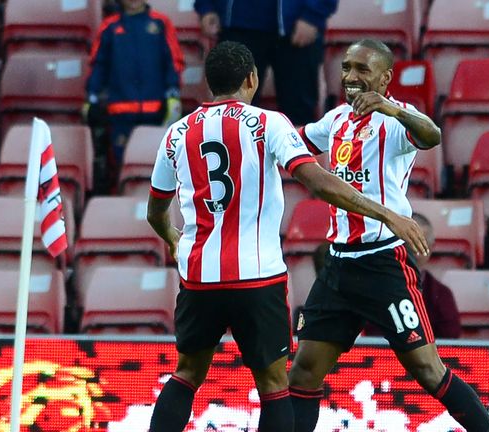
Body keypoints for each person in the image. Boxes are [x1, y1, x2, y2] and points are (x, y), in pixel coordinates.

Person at [146, 40, 428, 432]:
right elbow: (316, 180)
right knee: (275, 385)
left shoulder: (176, 134)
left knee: (186, 374)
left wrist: (174, 239)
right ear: (252, 78)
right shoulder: (268, 122)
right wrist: (386, 214)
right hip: (257, 276)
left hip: (199, 276)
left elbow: (155, 211)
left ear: (209, 83)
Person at [289, 39, 489, 432]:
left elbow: (432, 135)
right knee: (303, 373)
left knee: (427, 370)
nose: (351, 76)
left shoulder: (397, 120)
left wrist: (390, 107)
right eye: (347, 67)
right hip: (337, 267)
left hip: (383, 263)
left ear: (385, 78)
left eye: (362, 70)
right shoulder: (334, 120)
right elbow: (294, 142)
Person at [193, 0, 337, 126]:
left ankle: (300, 157)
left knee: (299, 114)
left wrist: (313, 15)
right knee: (230, 112)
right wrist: (207, 6)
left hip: (298, 25)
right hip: (237, 25)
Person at [86, 0, 184, 166]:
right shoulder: (109, 26)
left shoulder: (161, 23)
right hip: (120, 112)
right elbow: (98, 65)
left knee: (156, 164)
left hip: (156, 110)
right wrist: (91, 97)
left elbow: (173, 62)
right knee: (121, 165)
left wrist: (173, 95)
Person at [411, 212, 462, 339]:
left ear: (432, 247)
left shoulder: (442, 294)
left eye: (423, 243)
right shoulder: (380, 286)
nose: (415, 251)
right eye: (410, 242)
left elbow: (450, 343)